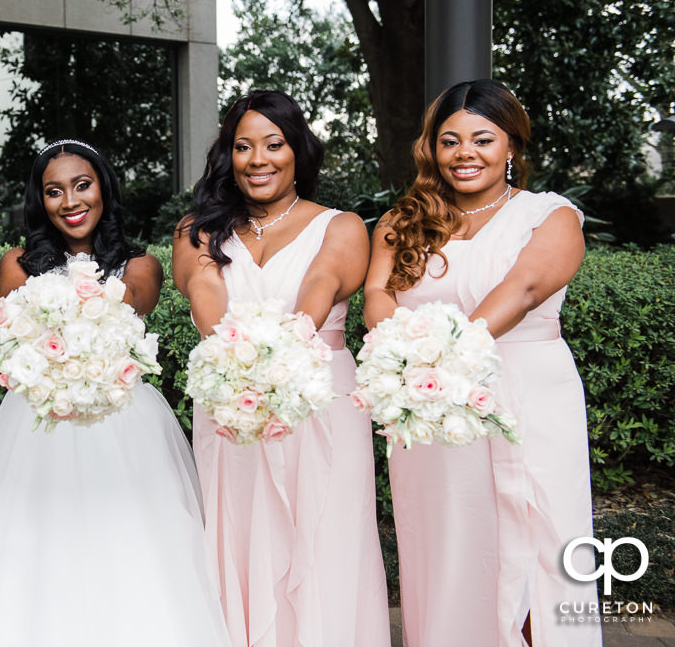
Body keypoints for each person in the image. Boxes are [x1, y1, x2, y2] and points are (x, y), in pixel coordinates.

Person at [0, 139, 231, 647]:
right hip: (36, 422)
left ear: (103, 189)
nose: (70, 201)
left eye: (82, 185)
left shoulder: (140, 264)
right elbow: (11, 334)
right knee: (35, 545)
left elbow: (130, 304)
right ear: (40, 202)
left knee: (128, 541)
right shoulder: (16, 264)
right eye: (54, 191)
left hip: (120, 418)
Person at [363, 79, 601, 647]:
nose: (464, 153)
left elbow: (522, 290)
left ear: (511, 145)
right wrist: (406, 362)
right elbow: (377, 295)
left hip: (526, 398)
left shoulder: (551, 216)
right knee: (449, 541)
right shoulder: (404, 220)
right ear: (432, 149)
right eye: (449, 140)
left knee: (540, 538)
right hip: (429, 411)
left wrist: (443, 357)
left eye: (482, 139)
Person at [173, 90, 390, 647]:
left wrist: (286, 351)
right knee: (240, 533)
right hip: (232, 403)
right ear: (228, 156)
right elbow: (203, 287)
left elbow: (321, 283)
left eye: (274, 144)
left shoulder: (340, 225)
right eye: (243, 146)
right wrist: (237, 359)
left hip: (319, 399)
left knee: (324, 532)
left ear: (298, 150)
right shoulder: (197, 229)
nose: (258, 159)